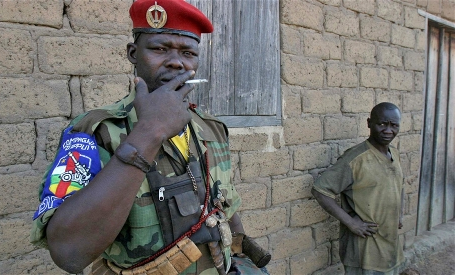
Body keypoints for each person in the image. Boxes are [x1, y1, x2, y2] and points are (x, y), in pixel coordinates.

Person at [30, 0, 269, 274]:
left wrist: (241, 262)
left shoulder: (210, 128)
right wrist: (149, 133)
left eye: (188, 53)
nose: (177, 62)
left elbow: (225, 207)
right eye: (159, 48)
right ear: (133, 53)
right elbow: (68, 253)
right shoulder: (96, 131)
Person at [312, 102, 405, 275]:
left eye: (394, 125)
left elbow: (398, 184)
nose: (388, 130)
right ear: (369, 123)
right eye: (382, 124)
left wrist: (399, 214)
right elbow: (320, 191)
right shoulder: (356, 159)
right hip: (365, 251)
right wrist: (352, 223)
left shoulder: (394, 153)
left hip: (389, 246)